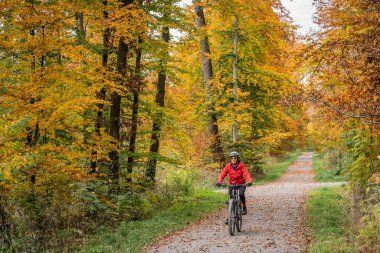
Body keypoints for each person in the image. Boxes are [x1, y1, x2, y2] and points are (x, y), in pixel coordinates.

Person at [216, 151, 253, 217]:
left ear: (237, 158)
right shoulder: (228, 166)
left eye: (235, 158)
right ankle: (230, 217)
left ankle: (244, 206)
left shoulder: (241, 165)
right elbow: (222, 174)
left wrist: (250, 181)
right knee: (231, 199)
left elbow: (246, 173)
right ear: (230, 159)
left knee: (241, 194)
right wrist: (219, 181)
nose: (233, 159)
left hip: (241, 184)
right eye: (232, 158)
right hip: (232, 184)